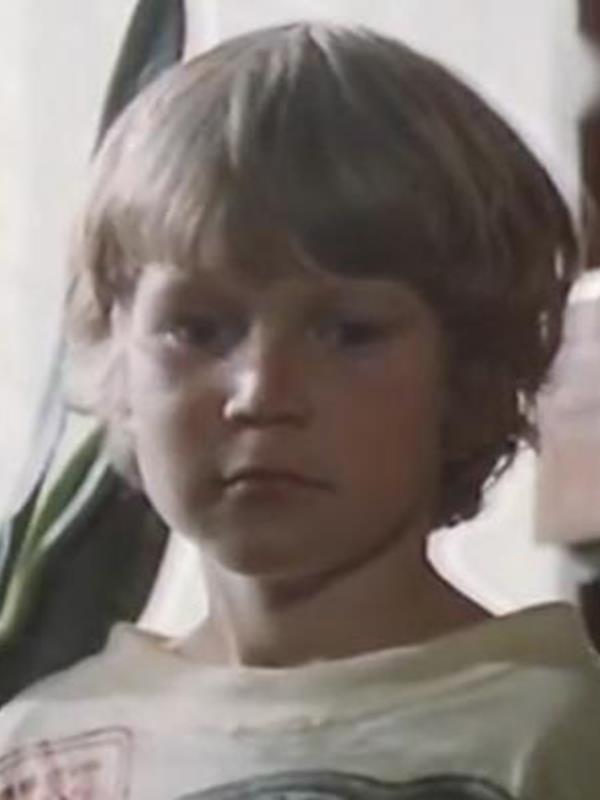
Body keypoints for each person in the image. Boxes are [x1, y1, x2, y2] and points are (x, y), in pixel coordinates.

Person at [0, 20, 598, 800]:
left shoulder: (559, 731)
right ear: (118, 357)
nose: (261, 393)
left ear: (468, 374)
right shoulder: (43, 753)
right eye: (198, 330)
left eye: (349, 333)